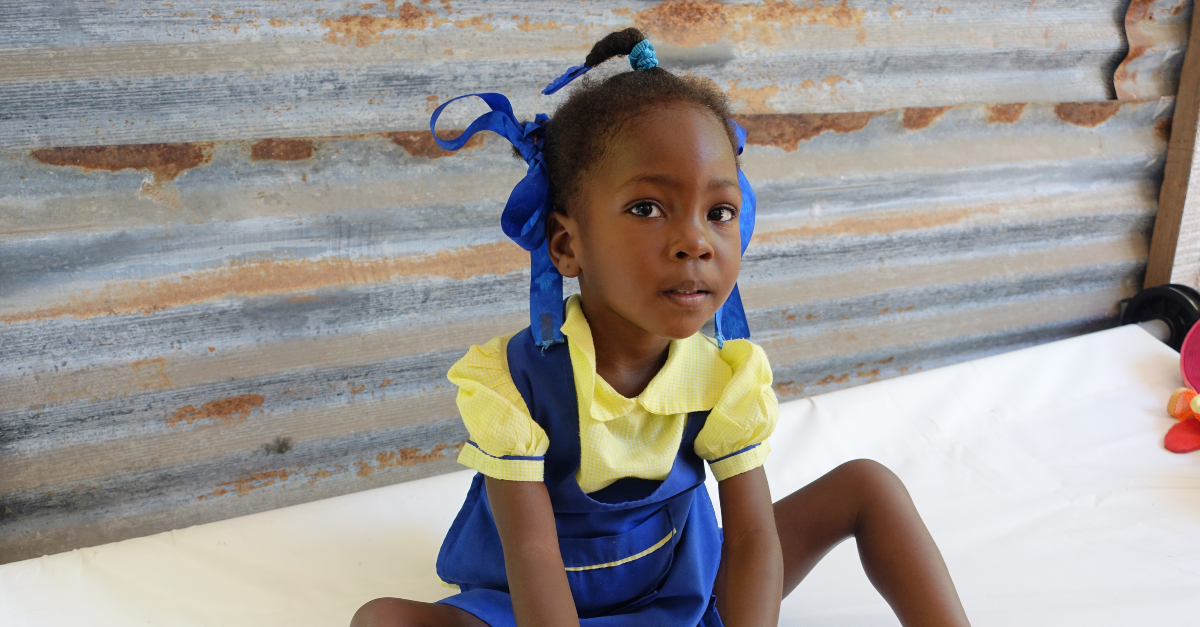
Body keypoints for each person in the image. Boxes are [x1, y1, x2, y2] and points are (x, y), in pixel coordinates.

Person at [352, 28, 970, 627]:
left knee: (867, 485)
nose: (695, 241)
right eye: (648, 208)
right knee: (380, 620)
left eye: (720, 211)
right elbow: (533, 553)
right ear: (567, 244)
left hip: (684, 585)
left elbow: (753, 537)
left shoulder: (725, 375)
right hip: (542, 605)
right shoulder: (515, 383)